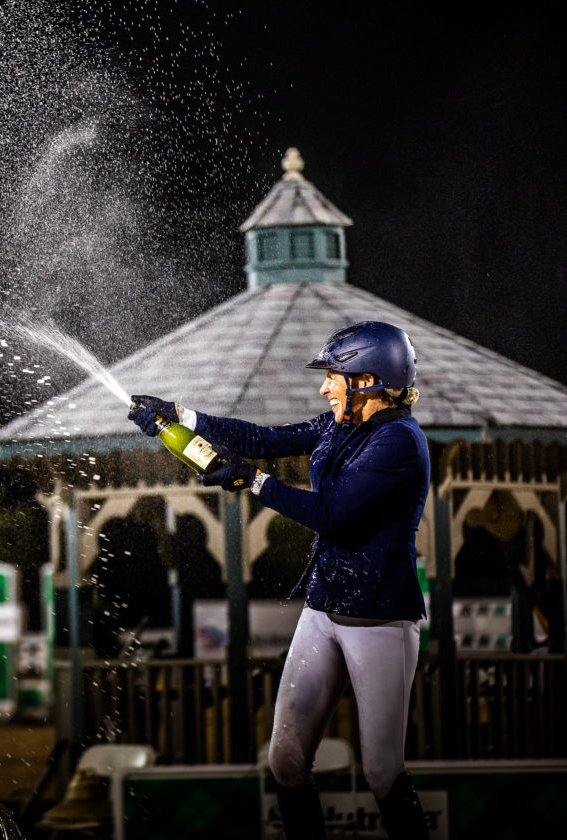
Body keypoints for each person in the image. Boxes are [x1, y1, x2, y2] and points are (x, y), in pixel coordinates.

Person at [129, 321, 431, 840]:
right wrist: (181, 416)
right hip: (322, 611)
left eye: (333, 377)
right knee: (286, 760)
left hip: (379, 620)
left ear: (367, 380)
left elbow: (332, 515)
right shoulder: (341, 424)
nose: (324, 387)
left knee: (382, 772)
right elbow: (264, 440)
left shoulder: (400, 440)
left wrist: (252, 479)